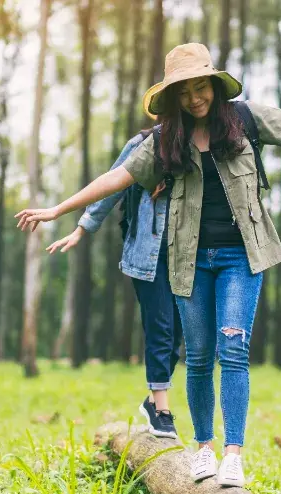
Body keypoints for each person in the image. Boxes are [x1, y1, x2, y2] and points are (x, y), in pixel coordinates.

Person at [16, 42, 281, 487]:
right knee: (200, 358)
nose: (194, 99)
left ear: (213, 84)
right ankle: (203, 449)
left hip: (241, 257)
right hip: (189, 262)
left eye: (200, 87)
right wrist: (57, 210)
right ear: (173, 98)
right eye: (184, 93)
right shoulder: (166, 140)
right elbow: (116, 177)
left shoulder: (244, 119)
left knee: (234, 351)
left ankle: (233, 454)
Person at [45, 84, 183, 439]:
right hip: (147, 255)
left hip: (190, 256)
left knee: (181, 336)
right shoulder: (144, 144)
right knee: (161, 329)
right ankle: (162, 408)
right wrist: (81, 228)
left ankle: (153, 402)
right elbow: (112, 185)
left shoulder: (202, 146)